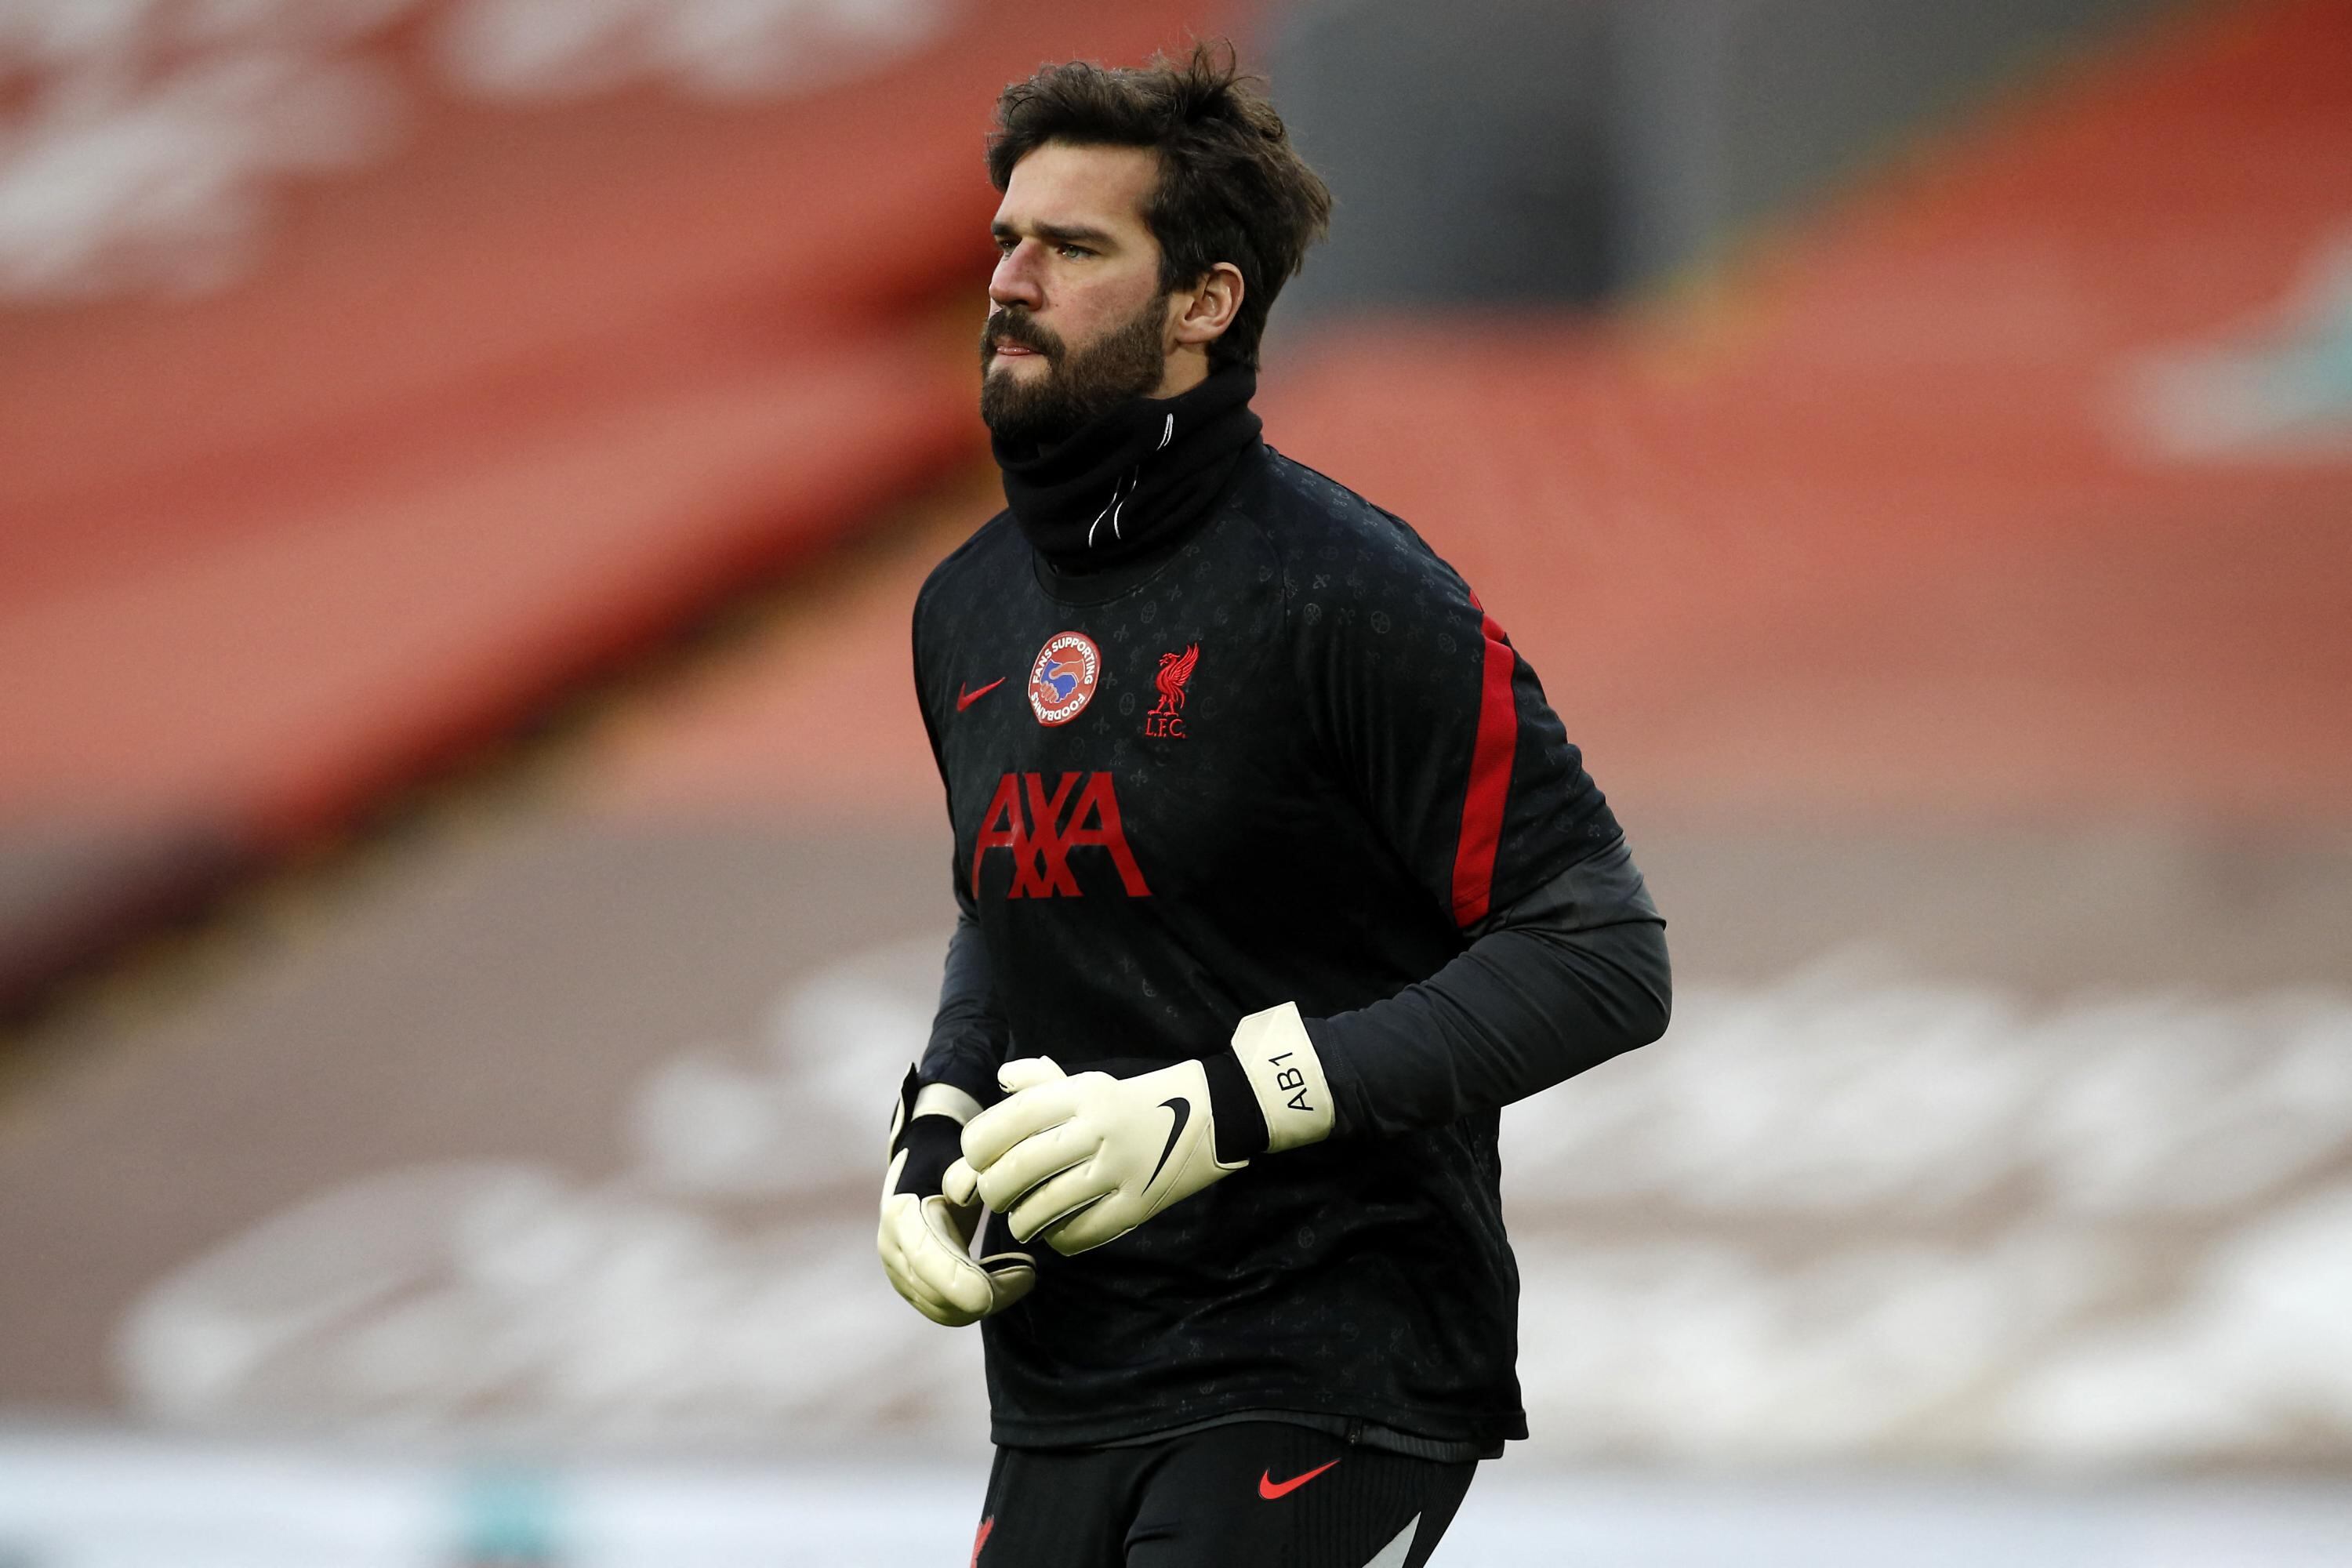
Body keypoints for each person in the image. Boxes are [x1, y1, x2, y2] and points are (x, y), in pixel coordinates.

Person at [877, 42, 1671, 1568]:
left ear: (1205, 303)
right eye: (1006, 239)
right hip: (1064, 1378)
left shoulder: (1349, 593)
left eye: (1074, 246)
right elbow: (1016, 908)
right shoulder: (962, 610)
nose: (1011, 278)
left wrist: (1224, 1106)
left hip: (1330, 1366)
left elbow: (1599, 955)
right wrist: (936, 1121)